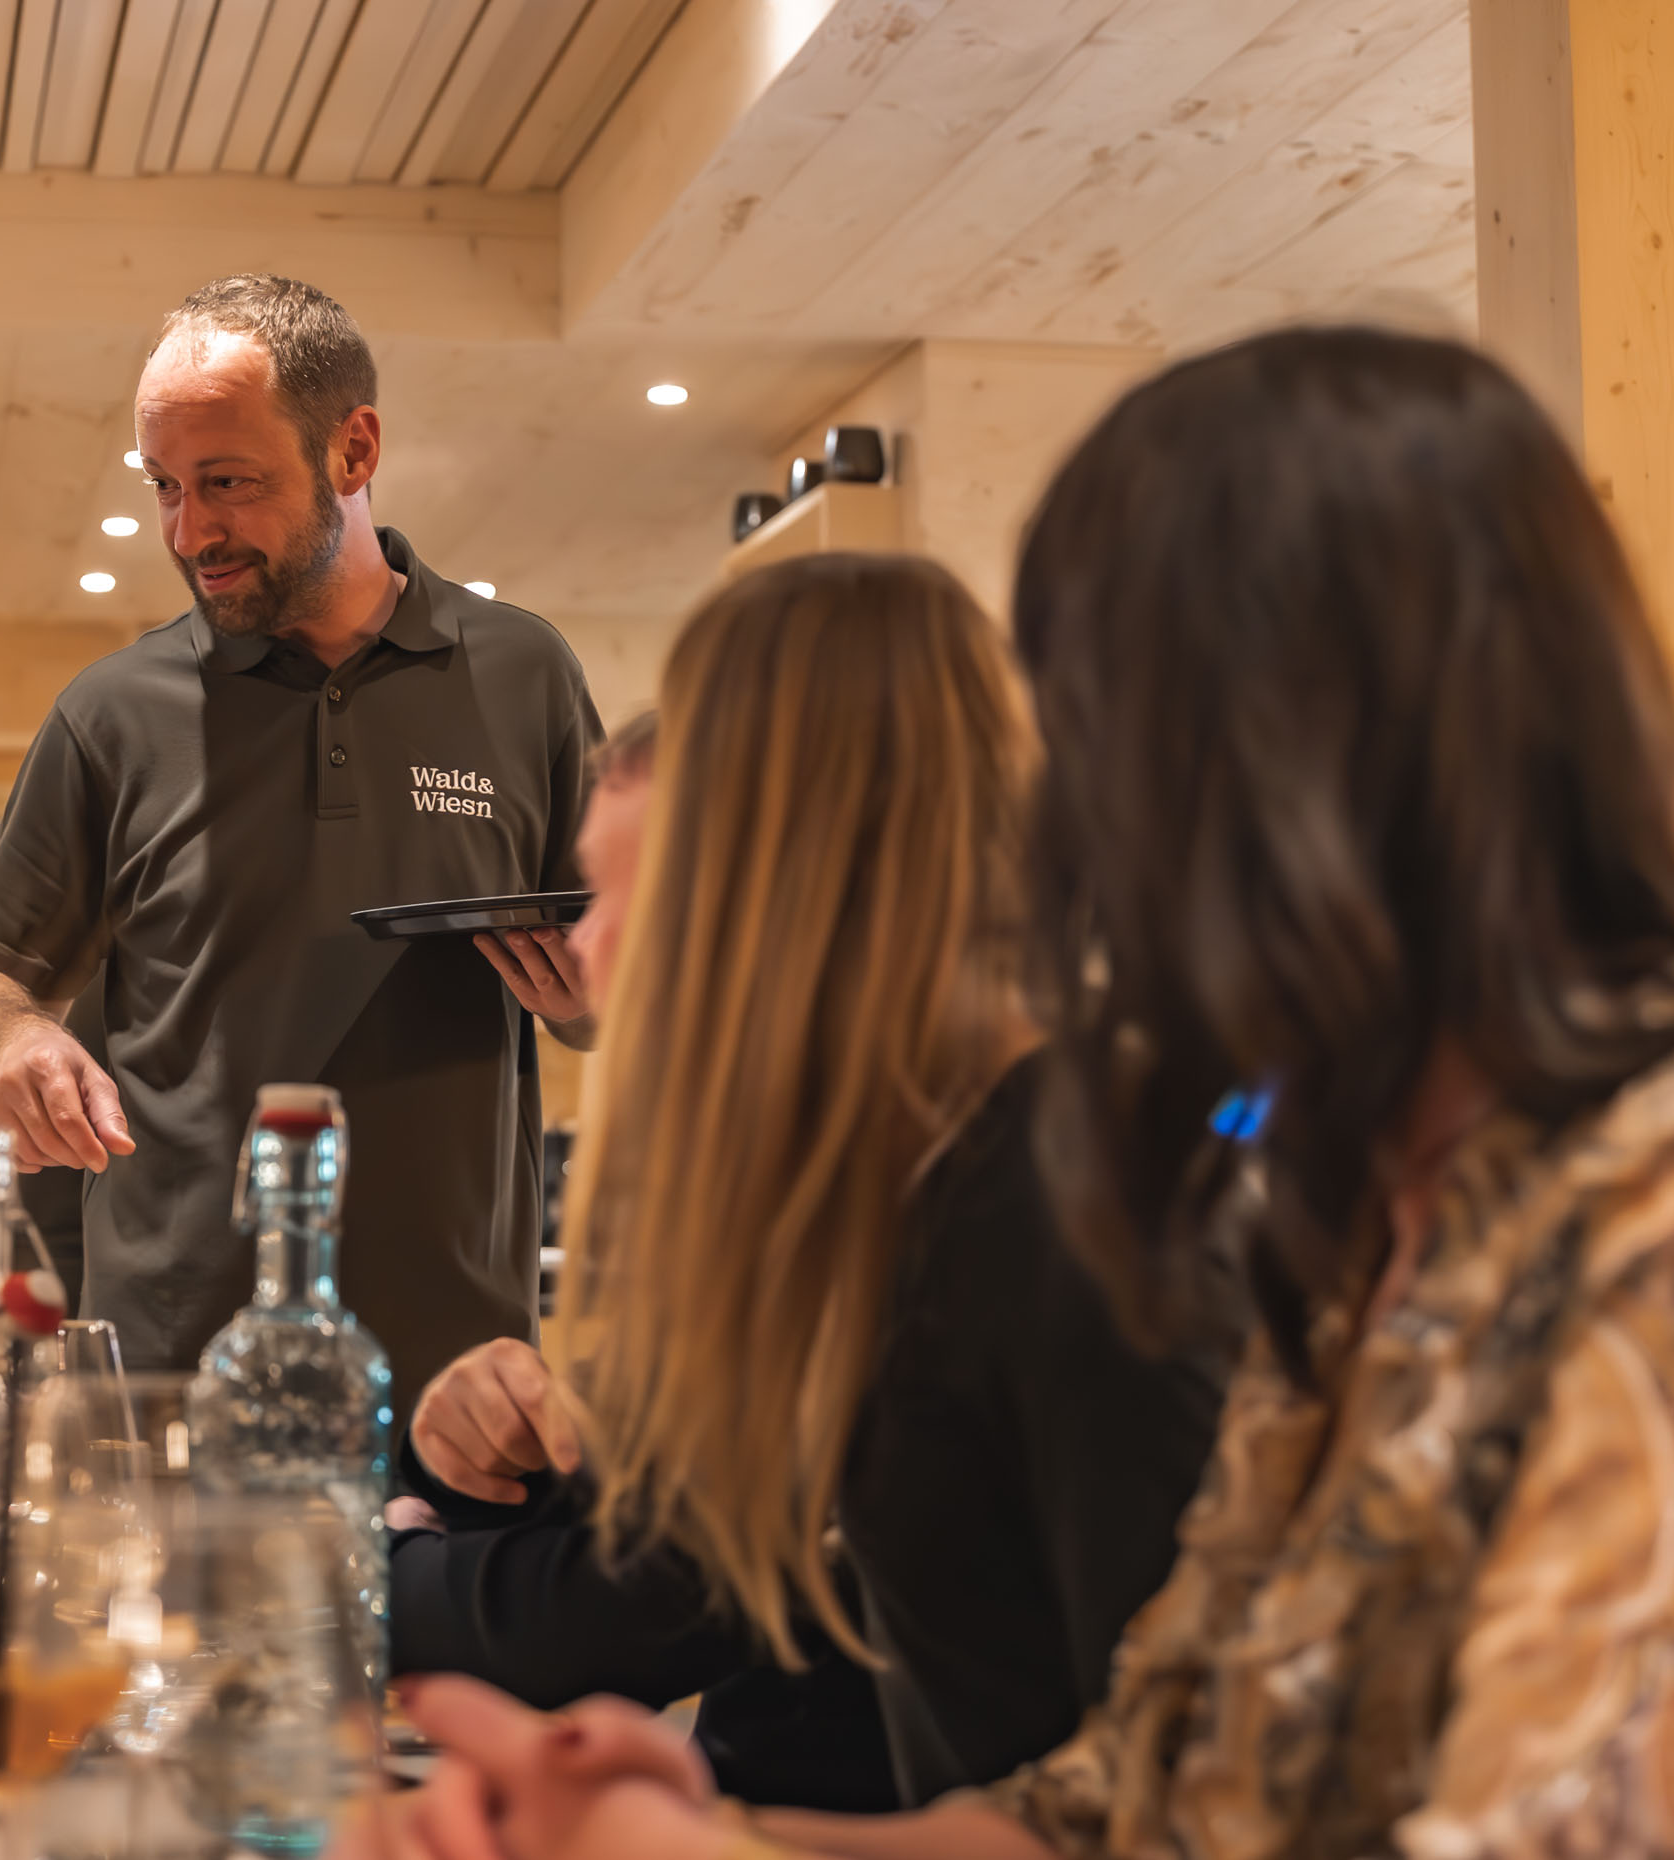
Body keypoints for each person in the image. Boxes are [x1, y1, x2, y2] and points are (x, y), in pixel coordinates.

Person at [347, 326, 1674, 1860]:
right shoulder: (1376, 1216)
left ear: (1320, 748)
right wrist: (686, 1836)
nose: (1063, 842)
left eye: (1109, 735)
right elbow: (1135, 1801)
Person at [386, 556, 1222, 1810]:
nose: (583, 943)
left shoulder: (1058, 1220)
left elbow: (1166, 1804)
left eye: (617, 893)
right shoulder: (902, 1195)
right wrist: (479, 1474)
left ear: (774, 887)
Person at [0, 274, 602, 1410]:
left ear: (353, 450)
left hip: (455, 1373)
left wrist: (592, 997)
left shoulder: (524, 674)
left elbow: (612, 984)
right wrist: (9, 1044)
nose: (189, 531)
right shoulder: (112, 712)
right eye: (164, 486)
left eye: (228, 483)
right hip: (168, 1367)